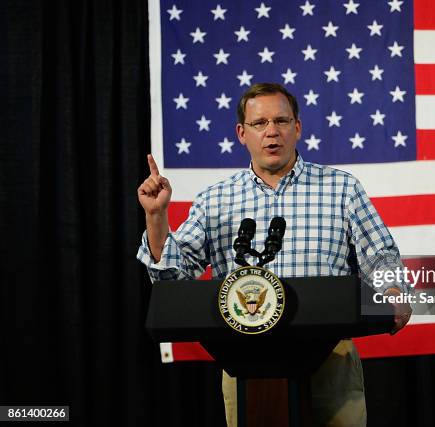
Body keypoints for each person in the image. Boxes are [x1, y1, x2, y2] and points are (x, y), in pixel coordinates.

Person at [137, 83, 412, 426]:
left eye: (281, 121)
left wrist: (393, 292)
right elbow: (172, 278)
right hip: (243, 357)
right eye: (260, 123)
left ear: (297, 128)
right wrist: (156, 217)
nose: (272, 132)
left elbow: (380, 255)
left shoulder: (341, 188)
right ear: (242, 133)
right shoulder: (215, 200)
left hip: (329, 355)